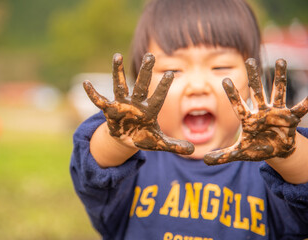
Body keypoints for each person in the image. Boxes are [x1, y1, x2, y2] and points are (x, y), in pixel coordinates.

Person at [70, 0, 308, 239]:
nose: (197, 86)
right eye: (173, 69)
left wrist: (287, 151)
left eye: (220, 67)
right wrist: (118, 140)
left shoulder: (273, 171)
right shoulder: (129, 166)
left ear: (252, 81)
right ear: (142, 85)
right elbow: (91, 174)